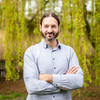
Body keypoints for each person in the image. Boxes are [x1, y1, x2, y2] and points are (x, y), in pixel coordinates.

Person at [23, 12, 84, 100]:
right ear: (40, 28)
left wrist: (48, 78)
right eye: (46, 26)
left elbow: (78, 81)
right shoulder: (31, 52)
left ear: (59, 28)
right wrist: (64, 83)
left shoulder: (69, 52)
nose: (50, 30)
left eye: (53, 26)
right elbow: (32, 87)